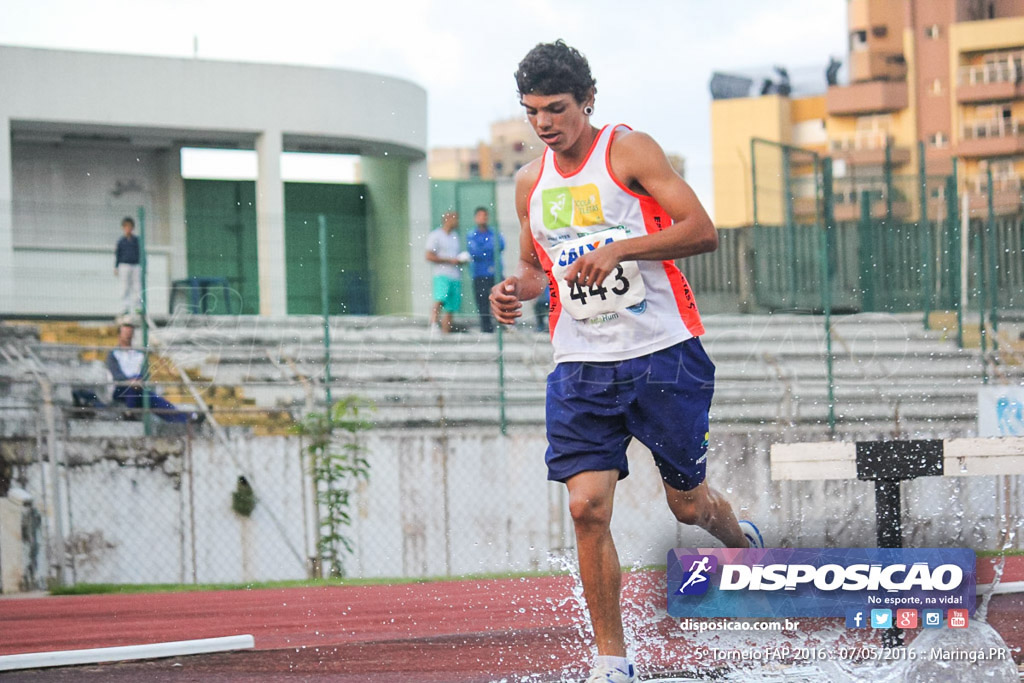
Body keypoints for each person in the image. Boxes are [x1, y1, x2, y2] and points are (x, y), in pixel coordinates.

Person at [490, 40, 763, 683]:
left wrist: (621, 251)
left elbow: (702, 230)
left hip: (663, 355)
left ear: (587, 100)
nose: (544, 123)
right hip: (581, 363)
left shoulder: (628, 150)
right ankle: (613, 663)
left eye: (556, 108)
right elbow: (537, 270)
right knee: (586, 508)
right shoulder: (530, 182)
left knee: (688, 506)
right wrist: (512, 290)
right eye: (532, 112)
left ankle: (739, 541)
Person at [106, 319, 202, 424]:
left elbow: (145, 373)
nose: (128, 336)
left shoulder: (139, 354)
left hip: (138, 387)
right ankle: (130, 413)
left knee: (156, 400)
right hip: (121, 388)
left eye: (130, 333)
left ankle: (184, 419)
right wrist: (130, 381)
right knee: (136, 390)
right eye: (125, 333)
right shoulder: (114, 354)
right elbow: (116, 375)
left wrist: (137, 380)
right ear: (119, 335)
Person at [425, 211, 467, 334]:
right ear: (447, 219)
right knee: (440, 299)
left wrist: (460, 260)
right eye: (455, 219)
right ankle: (433, 325)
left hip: (455, 276)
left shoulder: (455, 237)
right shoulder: (436, 235)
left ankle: (446, 331)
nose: (457, 222)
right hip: (442, 274)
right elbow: (428, 255)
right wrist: (449, 260)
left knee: (451, 306)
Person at [466, 207, 505, 333]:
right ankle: (486, 328)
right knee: (482, 302)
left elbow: (500, 246)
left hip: (495, 273)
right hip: (479, 273)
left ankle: (503, 325)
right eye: (480, 216)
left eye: (485, 216)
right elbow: (475, 251)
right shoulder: (472, 235)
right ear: (476, 218)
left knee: (500, 300)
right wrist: (487, 250)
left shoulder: (494, 233)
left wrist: (484, 249)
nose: (483, 218)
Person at [114, 217, 141, 314]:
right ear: (123, 228)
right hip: (124, 265)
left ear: (132, 228)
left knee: (137, 286)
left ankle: (138, 307)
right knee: (124, 286)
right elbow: (117, 255)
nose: (128, 229)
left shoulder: (137, 240)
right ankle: (125, 307)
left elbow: (141, 253)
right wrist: (116, 267)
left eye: (130, 226)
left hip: (135, 265)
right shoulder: (121, 241)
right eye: (126, 227)